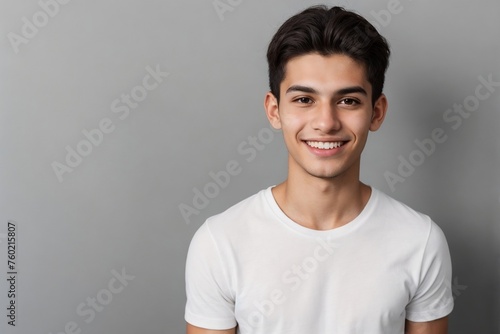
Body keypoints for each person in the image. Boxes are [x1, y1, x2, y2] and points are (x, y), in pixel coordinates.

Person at [185, 5, 453, 334]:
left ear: (376, 112)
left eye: (348, 101)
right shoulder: (219, 243)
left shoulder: (420, 242)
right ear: (274, 110)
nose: (326, 123)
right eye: (304, 100)